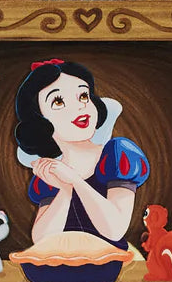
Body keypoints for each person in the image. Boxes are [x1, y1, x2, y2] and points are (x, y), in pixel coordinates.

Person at [14, 59, 149, 248]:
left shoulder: (117, 155)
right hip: (58, 262)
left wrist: (75, 181)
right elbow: (42, 240)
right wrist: (65, 190)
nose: (80, 107)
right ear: (40, 122)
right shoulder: (51, 171)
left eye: (83, 96)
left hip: (109, 260)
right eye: (58, 101)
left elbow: (115, 230)